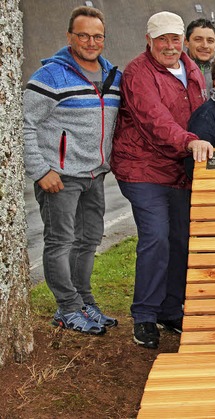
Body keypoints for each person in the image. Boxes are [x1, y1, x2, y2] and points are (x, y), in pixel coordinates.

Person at [111, 11, 214, 349]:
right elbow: (155, 120)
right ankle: (144, 315)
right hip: (142, 169)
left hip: (181, 169)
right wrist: (189, 142)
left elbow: (204, 114)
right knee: (156, 237)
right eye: (162, 40)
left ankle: (170, 309)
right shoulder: (137, 74)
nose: (169, 46)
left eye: (174, 39)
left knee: (181, 238)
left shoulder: (193, 68)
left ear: (182, 40)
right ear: (149, 41)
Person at [23, 6, 121, 335]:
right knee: (60, 243)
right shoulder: (50, 77)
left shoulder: (112, 77)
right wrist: (40, 170)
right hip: (59, 178)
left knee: (88, 241)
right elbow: (22, 125)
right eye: (83, 35)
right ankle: (66, 309)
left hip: (95, 176)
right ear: (69, 37)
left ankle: (85, 302)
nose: (90, 41)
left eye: (97, 36)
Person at [184, 18, 215, 96]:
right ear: (186, 42)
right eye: (198, 39)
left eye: (210, 41)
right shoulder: (176, 72)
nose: (205, 46)